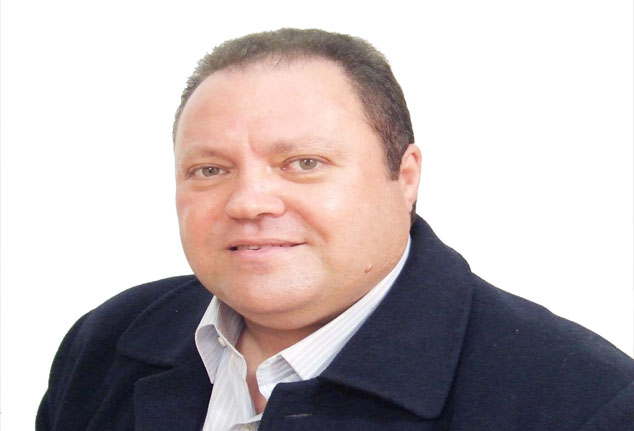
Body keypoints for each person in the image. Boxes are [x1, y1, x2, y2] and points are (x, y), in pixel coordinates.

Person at [37, 28, 633, 431]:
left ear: (404, 176)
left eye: (304, 163)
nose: (248, 202)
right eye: (210, 170)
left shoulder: (581, 401)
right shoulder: (106, 342)